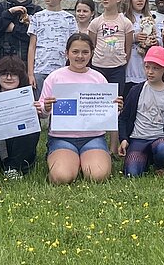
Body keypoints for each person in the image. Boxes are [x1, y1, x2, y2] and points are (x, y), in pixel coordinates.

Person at [37, 33, 119, 184]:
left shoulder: (99, 78)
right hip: (62, 138)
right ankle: (68, 162)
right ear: (66, 52)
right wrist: (46, 107)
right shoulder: (55, 77)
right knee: (62, 177)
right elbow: (41, 112)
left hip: (93, 138)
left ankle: (84, 161)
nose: (80, 56)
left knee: (98, 176)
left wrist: (115, 107)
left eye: (85, 52)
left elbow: (107, 113)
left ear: (92, 54)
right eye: (75, 52)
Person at [118, 45, 164, 177]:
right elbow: (124, 118)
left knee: (163, 149)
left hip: (159, 137)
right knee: (131, 174)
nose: (150, 72)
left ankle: (159, 164)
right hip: (138, 138)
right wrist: (124, 139)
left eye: (155, 68)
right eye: (147, 67)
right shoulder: (136, 90)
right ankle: (145, 159)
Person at [27, 0, 78, 98]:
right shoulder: (37, 17)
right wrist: (30, 74)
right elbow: (32, 46)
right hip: (40, 70)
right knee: (40, 108)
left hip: (62, 71)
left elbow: (74, 47)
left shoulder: (69, 19)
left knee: (59, 109)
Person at [87, 0, 133, 100]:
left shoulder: (126, 22)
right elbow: (91, 45)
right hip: (98, 66)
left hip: (117, 68)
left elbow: (128, 48)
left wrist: (122, 63)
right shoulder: (95, 22)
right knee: (97, 100)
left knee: (115, 101)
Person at [123, 0, 157, 100]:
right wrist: (133, 38)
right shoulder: (123, 18)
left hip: (146, 66)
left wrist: (154, 42)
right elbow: (116, 39)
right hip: (129, 65)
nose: (140, 0)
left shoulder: (151, 17)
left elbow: (159, 39)